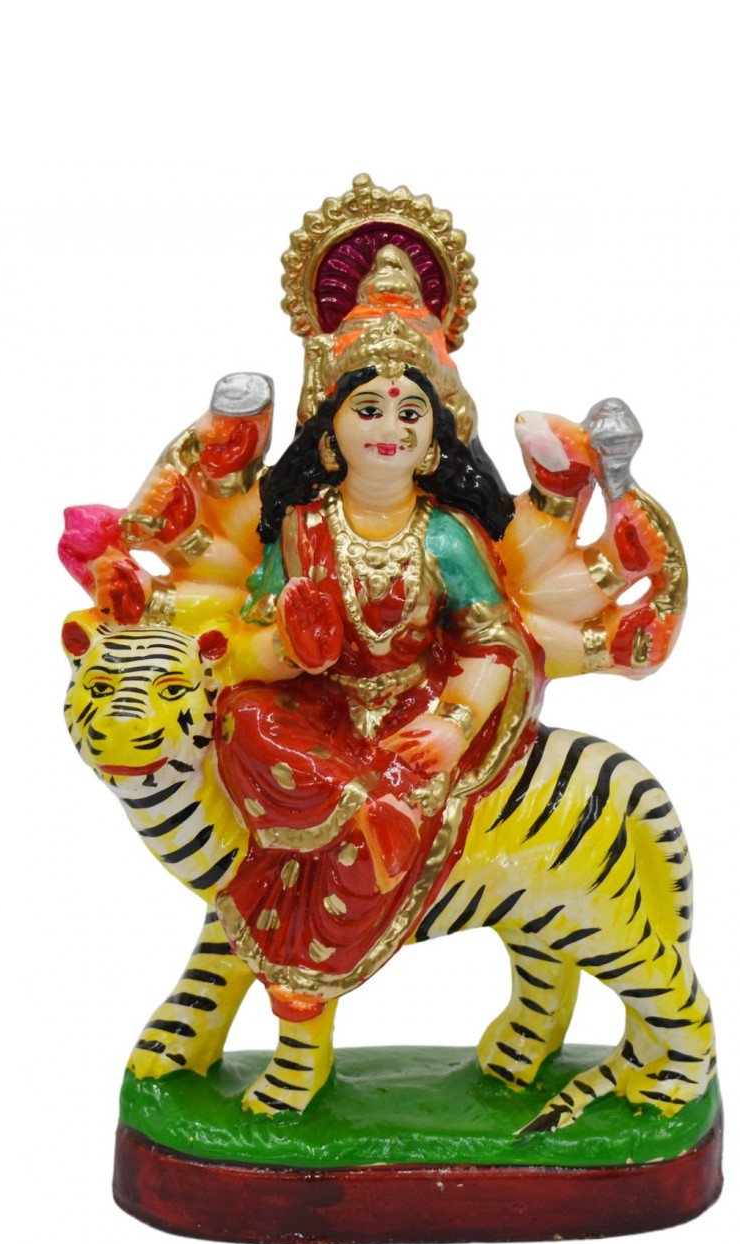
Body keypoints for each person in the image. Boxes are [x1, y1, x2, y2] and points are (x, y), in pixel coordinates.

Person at [212, 246, 538, 1022]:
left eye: (409, 413)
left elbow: (493, 642)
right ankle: (364, 803)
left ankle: (321, 947)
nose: (389, 427)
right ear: (329, 434)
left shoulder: (447, 536)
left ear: (436, 442)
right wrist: (285, 648)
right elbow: (248, 642)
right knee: (241, 718)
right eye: (368, 409)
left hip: (411, 714)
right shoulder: (299, 529)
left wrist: (453, 722)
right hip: (319, 711)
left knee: (406, 780)